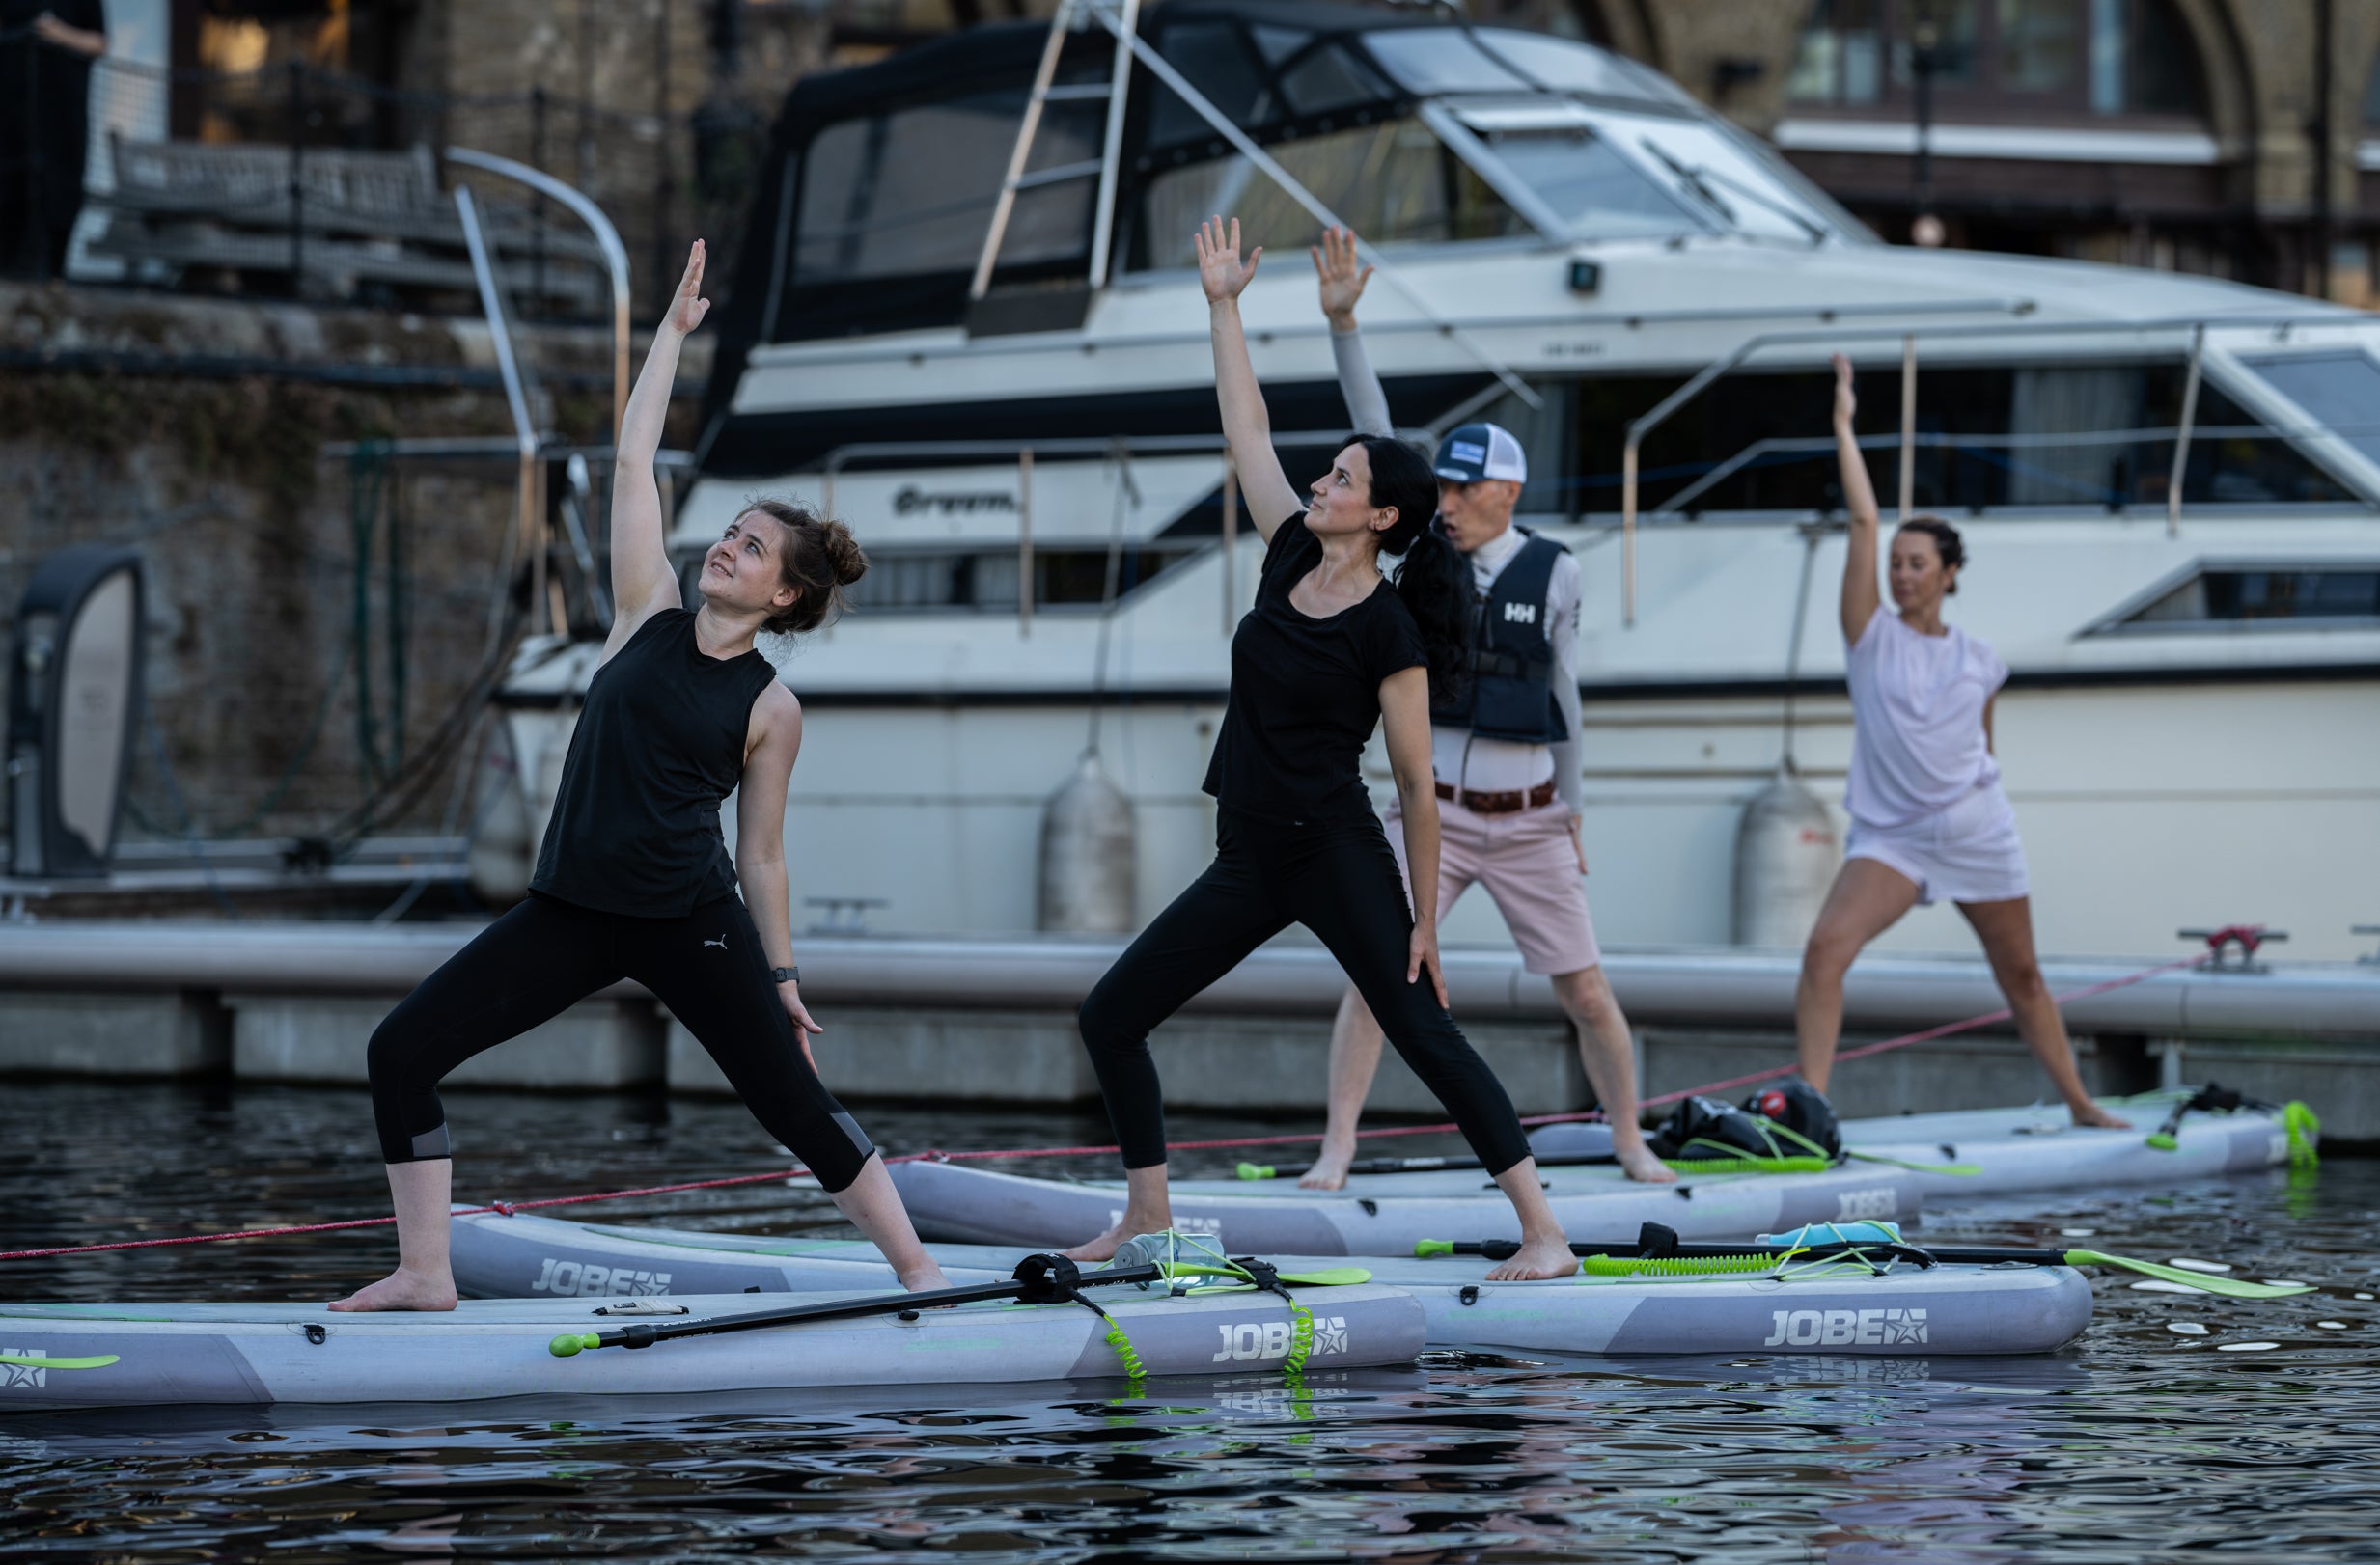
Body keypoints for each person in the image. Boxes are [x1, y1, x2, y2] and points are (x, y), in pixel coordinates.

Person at [332, 242, 950, 1310]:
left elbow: (761, 852)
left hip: (688, 918)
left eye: (752, 548)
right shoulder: (642, 613)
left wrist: (784, 976)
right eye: (731, 532)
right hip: (570, 909)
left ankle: (921, 1271)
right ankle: (426, 1273)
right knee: (399, 1053)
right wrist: (669, 336)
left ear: (787, 597)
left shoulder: (771, 705)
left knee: (790, 1103)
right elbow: (633, 463)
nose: (726, 546)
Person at [1064, 217, 1578, 1283]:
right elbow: (1244, 425)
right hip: (1248, 851)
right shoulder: (1291, 548)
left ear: (1381, 514)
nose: (1320, 482)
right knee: (1111, 1013)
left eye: (1341, 477)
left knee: (1426, 1035)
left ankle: (1546, 1232)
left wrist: (1427, 917)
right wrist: (1224, 306)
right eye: (1328, 472)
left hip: (1336, 850)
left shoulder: (1390, 630)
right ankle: (1148, 1218)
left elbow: (1414, 785)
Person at [1294, 228, 1671, 1190]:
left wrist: (1575, 807)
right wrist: (1345, 323)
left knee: (1586, 989)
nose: (1447, 498)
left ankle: (1631, 1137)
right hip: (1438, 818)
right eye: (1443, 485)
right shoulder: (1425, 549)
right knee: (1377, 980)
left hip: (1532, 815)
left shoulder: (1557, 568)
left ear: (1506, 490)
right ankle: (1336, 1146)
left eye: (1464, 486)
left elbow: (1564, 692)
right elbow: (1376, 432)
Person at [1795, 354, 2127, 1130]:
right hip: (1895, 839)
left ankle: (2080, 1103)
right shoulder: (1869, 637)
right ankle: (1808, 1114)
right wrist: (1844, 423)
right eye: (1897, 565)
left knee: (2022, 973)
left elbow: (1983, 747)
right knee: (1823, 952)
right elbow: (1863, 521)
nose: (1902, 574)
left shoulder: (1981, 659)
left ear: (1948, 574)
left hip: (1977, 829)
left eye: (1918, 565)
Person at [0, 4, 105, 280]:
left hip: (63, 114)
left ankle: (52, 276)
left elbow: (99, 42)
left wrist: (58, 33)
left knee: (60, 194)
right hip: (14, 114)